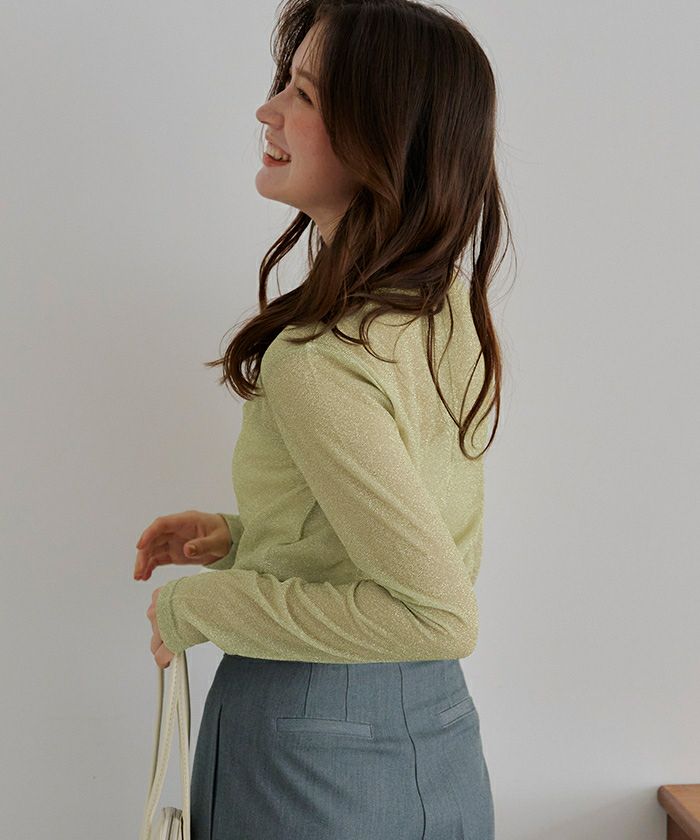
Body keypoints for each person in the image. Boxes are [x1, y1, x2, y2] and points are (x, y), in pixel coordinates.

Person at [134, 0, 512, 836]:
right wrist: (249, 536)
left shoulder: (319, 359)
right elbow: (409, 541)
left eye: (303, 94)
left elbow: (437, 613)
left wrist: (199, 607)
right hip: (438, 737)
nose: (267, 111)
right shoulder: (443, 311)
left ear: (383, 138)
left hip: (307, 750)